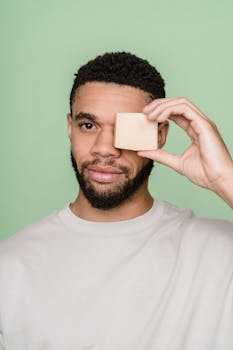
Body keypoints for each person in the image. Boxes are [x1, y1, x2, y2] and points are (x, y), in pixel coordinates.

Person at [0, 52, 232, 350]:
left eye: (126, 128)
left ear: (160, 134)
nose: (105, 148)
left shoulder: (220, 254)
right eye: (88, 125)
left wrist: (225, 178)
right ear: (70, 127)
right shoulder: (10, 268)